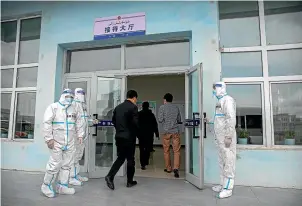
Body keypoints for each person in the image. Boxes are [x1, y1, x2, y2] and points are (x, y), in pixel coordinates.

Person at [41, 89, 84, 198]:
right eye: (67, 96)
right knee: (54, 164)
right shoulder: (53, 107)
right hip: (56, 141)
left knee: (67, 164)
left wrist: (80, 135)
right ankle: (46, 186)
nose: (69, 98)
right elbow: (47, 123)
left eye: (71, 97)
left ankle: (62, 186)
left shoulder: (73, 109)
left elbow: (79, 122)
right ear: (62, 96)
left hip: (70, 141)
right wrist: (48, 138)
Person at [105, 90, 139, 190]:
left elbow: (114, 121)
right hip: (129, 137)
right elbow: (136, 123)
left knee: (121, 158)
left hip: (119, 136)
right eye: (136, 99)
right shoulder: (133, 107)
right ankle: (129, 181)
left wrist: (120, 130)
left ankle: (110, 176)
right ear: (134, 97)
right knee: (130, 159)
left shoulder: (118, 107)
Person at [211, 82, 237, 199]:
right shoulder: (219, 102)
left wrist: (229, 136)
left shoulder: (228, 100)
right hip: (220, 138)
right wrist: (208, 120)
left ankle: (228, 188)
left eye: (215, 88)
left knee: (228, 162)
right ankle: (222, 185)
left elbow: (230, 118)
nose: (214, 91)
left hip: (226, 139)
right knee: (222, 161)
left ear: (221, 88)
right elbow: (219, 119)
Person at [69, 88, 98, 186]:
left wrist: (91, 122)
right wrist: (78, 134)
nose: (82, 95)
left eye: (83, 93)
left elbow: (83, 121)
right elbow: (74, 121)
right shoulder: (73, 105)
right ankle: (71, 177)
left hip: (82, 136)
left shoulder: (83, 106)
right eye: (80, 93)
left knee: (78, 156)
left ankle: (76, 175)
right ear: (76, 94)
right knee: (73, 157)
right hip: (75, 136)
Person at [158, 93, 182, 178]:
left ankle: (168, 168)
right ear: (172, 99)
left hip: (166, 132)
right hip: (175, 131)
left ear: (165, 99)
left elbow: (160, 119)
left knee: (166, 150)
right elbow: (179, 120)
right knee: (176, 151)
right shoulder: (176, 107)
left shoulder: (162, 107)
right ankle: (176, 168)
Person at [138, 101, 159, 170]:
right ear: (148, 106)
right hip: (149, 134)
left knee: (141, 149)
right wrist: (157, 133)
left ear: (142, 106)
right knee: (148, 148)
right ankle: (146, 161)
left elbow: (136, 124)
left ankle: (142, 164)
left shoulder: (139, 114)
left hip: (141, 134)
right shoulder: (151, 115)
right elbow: (155, 125)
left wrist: (135, 133)